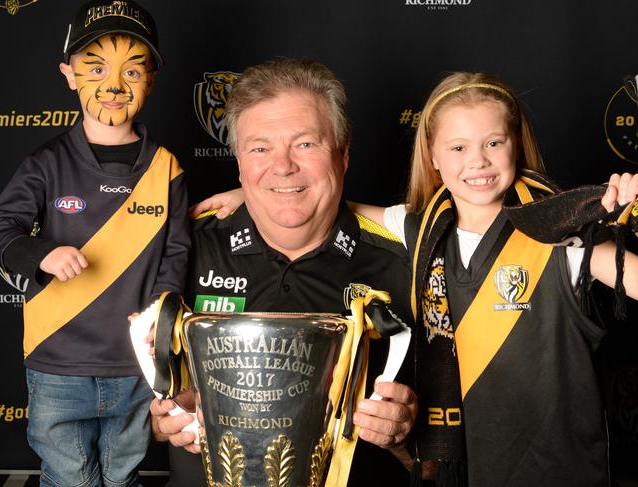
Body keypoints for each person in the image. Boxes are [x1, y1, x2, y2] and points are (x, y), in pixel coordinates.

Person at [195, 71, 638, 486]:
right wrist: (255, 193)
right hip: (467, 469)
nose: (478, 162)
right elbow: (328, 204)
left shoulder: (562, 240)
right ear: (433, 156)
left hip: (562, 471)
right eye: (459, 148)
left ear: (515, 147)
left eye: (493, 143)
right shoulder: (419, 229)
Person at [149, 57, 419, 487]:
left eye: (306, 144)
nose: (283, 166)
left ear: (344, 154)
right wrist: (160, 420)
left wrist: (406, 432)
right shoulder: (182, 248)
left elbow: (454, 443)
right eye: (260, 148)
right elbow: (127, 401)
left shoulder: (409, 260)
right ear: (239, 162)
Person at [0, 1, 190, 486]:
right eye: (95, 67)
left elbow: (177, 254)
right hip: (57, 362)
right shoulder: (45, 163)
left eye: (132, 69)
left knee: (123, 476)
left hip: (134, 365)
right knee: (69, 477)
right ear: (69, 74)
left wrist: (159, 316)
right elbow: (1, 229)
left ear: (151, 79)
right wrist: (42, 254)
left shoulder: (168, 168)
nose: (114, 85)